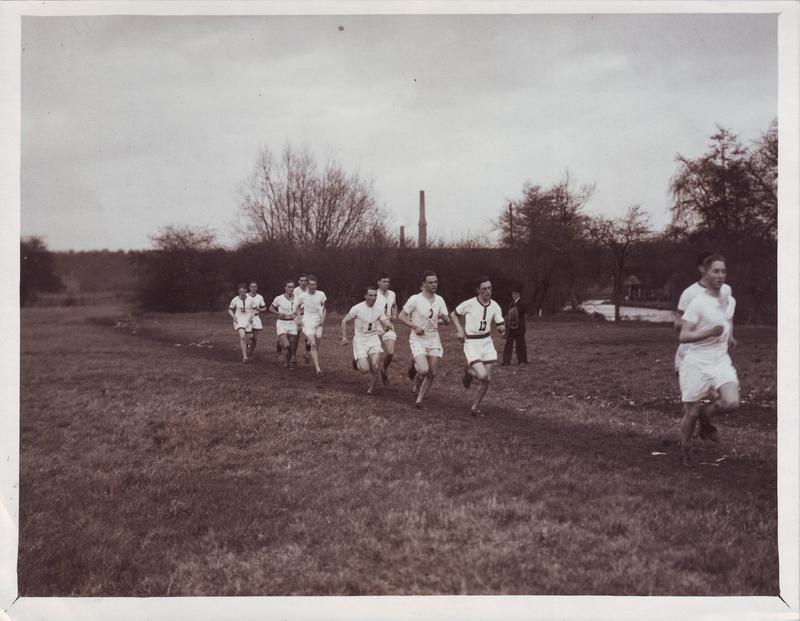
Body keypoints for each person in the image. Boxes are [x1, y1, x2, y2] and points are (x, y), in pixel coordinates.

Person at [677, 255, 740, 467]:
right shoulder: (698, 302)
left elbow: (728, 321)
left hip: (720, 358)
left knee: (731, 402)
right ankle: (685, 449)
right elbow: (683, 336)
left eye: (723, 271)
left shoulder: (729, 299)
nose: (720, 275)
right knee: (691, 411)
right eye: (715, 271)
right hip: (697, 359)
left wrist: (729, 336)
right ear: (705, 272)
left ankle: (707, 415)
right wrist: (709, 332)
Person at [450, 277, 506, 416]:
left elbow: (500, 323)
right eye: (484, 288)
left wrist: (502, 328)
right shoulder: (469, 304)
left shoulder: (495, 305)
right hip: (472, 343)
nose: (488, 291)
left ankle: (475, 407)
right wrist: (460, 330)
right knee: (482, 375)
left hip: (487, 343)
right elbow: (453, 314)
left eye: (490, 288)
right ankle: (469, 371)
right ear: (478, 290)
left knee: (487, 380)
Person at [398, 271, 450, 409]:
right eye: (431, 282)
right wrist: (414, 326)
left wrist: (445, 319)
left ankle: (419, 400)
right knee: (424, 370)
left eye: (436, 282)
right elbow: (401, 316)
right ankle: (414, 364)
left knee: (432, 372)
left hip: (433, 338)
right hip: (418, 337)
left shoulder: (440, 300)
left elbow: (446, 321)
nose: (434, 285)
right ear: (423, 284)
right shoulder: (415, 299)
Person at [341, 286, 393, 395]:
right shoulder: (357, 308)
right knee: (365, 369)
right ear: (365, 296)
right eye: (370, 295)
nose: (373, 298)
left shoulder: (378, 308)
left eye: (375, 295)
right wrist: (344, 337)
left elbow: (384, 320)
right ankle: (357, 362)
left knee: (375, 365)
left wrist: (388, 325)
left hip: (373, 338)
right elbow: (344, 321)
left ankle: (371, 388)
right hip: (360, 340)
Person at [297, 275, 327, 376]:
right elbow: (297, 308)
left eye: (315, 284)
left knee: (317, 343)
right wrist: (300, 318)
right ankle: (318, 369)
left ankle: (307, 351)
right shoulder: (303, 296)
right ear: (308, 285)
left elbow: (324, 308)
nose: (313, 286)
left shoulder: (321, 294)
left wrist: (322, 319)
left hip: (318, 321)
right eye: (311, 285)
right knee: (314, 344)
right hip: (307, 320)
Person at [375, 273, 398, 385]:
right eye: (383, 281)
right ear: (378, 282)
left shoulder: (392, 294)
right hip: (375, 327)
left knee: (390, 352)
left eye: (388, 282)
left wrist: (394, 315)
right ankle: (358, 359)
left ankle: (383, 369)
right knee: (371, 354)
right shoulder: (374, 294)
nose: (386, 284)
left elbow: (394, 305)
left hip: (388, 327)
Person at [269, 280, 299, 368]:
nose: (291, 289)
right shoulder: (279, 298)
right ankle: (280, 343)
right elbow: (271, 308)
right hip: (282, 323)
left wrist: (297, 314)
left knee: (292, 344)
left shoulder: (298, 298)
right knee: (286, 345)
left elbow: (301, 309)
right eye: (289, 287)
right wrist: (278, 313)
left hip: (292, 322)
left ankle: (287, 361)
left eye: (293, 287)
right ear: (285, 288)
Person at [501, 285, 528, 366]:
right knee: (508, 344)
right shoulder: (511, 304)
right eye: (513, 294)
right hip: (511, 327)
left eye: (515, 294)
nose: (514, 296)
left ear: (519, 294)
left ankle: (522, 361)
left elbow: (517, 312)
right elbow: (509, 315)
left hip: (519, 327)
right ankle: (506, 361)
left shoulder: (522, 303)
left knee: (520, 344)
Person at [227, 283, 254, 363]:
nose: (243, 293)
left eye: (244, 292)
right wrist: (233, 316)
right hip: (239, 320)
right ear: (238, 291)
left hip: (248, 320)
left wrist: (251, 317)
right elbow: (230, 309)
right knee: (242, 336)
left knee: (248, 339)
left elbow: (255, 309)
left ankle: (247, 345)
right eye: (241, 292)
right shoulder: (235, 299)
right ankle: (245, 356)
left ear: (246, 291)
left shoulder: (250, 299)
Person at [245, 281, 267, 358]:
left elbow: (265, 308)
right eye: (252, 287)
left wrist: (260, 309)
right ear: (249, 288)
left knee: (254, 338)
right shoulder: (245, 296)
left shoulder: (260, 297)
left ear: (257, 288)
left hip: (256, 317)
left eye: (255, 287)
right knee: (248, 336)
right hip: (247, 318)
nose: (253, 288)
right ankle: (246, 348)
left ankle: (250, 351)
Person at [292, 274, 310, 361]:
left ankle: (306, 352)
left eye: (305, 281)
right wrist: (298, 316)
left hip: (307, 315)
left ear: (307, 282)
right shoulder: (295, 291)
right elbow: (296, 304)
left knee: (309, 336)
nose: (303, 282)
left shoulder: (310, 290)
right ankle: (293, 356)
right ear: (299, 281)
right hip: (298, 315)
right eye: (301, 280)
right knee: (296, 337)